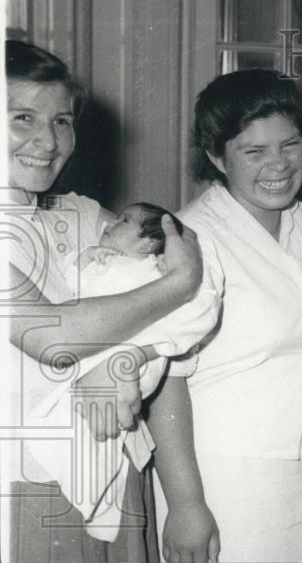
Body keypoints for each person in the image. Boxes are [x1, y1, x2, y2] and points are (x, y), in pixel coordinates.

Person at [4, 40, 210, 562]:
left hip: (119, 472)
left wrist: (131, 357)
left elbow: (200, 277)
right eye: (22, 116)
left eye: (62, 120)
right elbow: (53, 338)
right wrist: (175, 287)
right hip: (29, 490)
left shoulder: (81, 214)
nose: (46, 141)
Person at [149, 69, 302, 562]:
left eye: (290, 144)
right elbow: (164, 378)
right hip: (227, 483)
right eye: (254, 151)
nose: (279, 165)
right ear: (217, 157)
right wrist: (185, 503)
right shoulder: (191, 240)